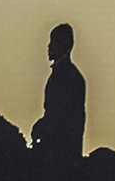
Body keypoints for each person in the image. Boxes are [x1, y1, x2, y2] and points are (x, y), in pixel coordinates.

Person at [31, 22, 86, 169]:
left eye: (53, 42)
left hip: (61, 150)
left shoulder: (66, 76)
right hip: (61, 145)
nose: (49, 46)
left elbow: (60, 115)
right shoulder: (67, 74)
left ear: (63, 45)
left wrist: (41, 127)